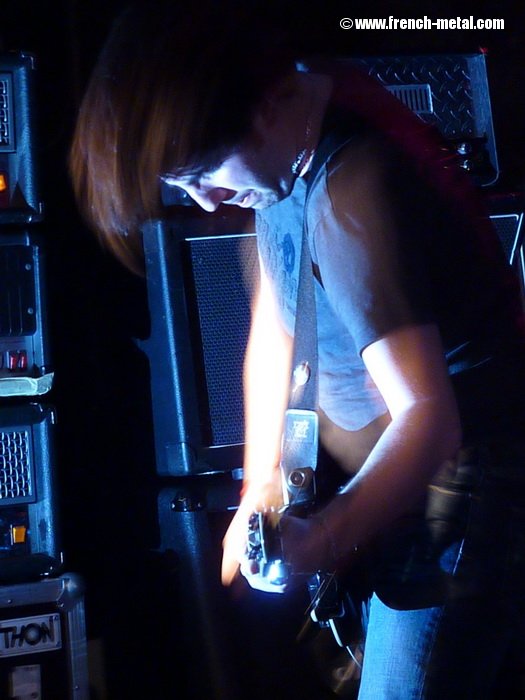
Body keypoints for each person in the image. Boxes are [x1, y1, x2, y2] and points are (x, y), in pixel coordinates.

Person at [70, 1, 525, 697]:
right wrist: (260, 484)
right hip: (399, 482)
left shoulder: (352, 190)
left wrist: (326, 538)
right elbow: (274, 325)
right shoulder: (293, 128)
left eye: (204, 174)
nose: (207, 202)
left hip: (459, 495)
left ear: (261, 108)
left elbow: (429, 421)